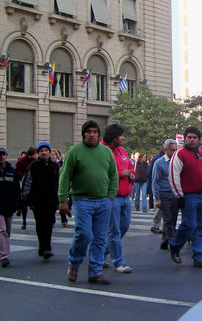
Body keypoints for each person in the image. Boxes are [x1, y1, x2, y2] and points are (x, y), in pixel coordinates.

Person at [58, 120, 118, 284]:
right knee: (84, 234)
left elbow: (113, 174)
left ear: (99, 134)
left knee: (100, 238)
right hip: (81, 200)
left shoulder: (106, 152)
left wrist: (110, 195)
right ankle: (74, 264)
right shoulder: (74, 151)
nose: (92, 134)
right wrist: (63, 199)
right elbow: (64, 177)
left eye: (95, 132)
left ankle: (95, 272)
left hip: (103, 201)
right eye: (89, 132)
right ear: (83, 134)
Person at [168, 126, 202, 268]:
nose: (192, 140)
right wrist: (179, 195)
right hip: (188, 195)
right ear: (185, 139)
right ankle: (175, 246)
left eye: (194, 137)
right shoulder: (179, 155)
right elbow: (173, 175)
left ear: (199, 140)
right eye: (189, 137)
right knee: (189, 225)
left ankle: (199, 257)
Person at [101, 123, 135, 273]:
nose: (123, 137)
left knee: (124, 226)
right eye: (121, 135)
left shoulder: (122, 150)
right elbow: (104, 172)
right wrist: (122, 173)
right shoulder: (102, 150)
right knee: (114, 229)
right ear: (114, 137)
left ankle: (100, 253)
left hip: (125, 195)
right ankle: (118, 262)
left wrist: (131, 173)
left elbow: (129, 165)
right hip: (112, 196)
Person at [22, 141, 59, 260]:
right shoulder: (33, 166)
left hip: (51, 200)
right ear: (38, 153)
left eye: (46, 150)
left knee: (49, 223)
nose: (44, 153)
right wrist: (26, 197)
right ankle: (44, 248)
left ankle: (46, 246)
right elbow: (27, 182)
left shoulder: (55, 166)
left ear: (49, 152)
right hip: (37, 201)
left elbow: (59, 182)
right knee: (40, 224)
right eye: (41, 151)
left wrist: (61, 197)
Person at [152, 139, 178, 250]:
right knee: (167, 220)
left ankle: (164, 241)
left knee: (173, 220)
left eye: (176, 150)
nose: (174, 152)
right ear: (166, 150)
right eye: (172, 150)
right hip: (164, 194)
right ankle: (173, 244)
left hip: (175, 194)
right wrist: (157, 198)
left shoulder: (177, 161)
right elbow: (155, 182)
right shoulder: (159, 163)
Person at [0, 146, 22, 267]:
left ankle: (2, 250)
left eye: (3, 154)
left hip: (9, 205)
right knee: (2, 230)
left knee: (7, 231)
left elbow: (17, 190)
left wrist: (19, 206)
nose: (1, 156)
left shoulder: (12, 171)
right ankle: (4, 256)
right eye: (0, 154)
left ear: (6, 156)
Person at [15, 146, 37, 230]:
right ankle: (24, 221)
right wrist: (23, 176)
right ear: (31, 154)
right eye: (35, 154)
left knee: (34, 205)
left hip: (34, 185)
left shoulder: (36, 162)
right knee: (24, 204)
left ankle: (36, 221)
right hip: (24, 183)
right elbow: (17, 171)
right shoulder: (22, 160)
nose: (36, 155)